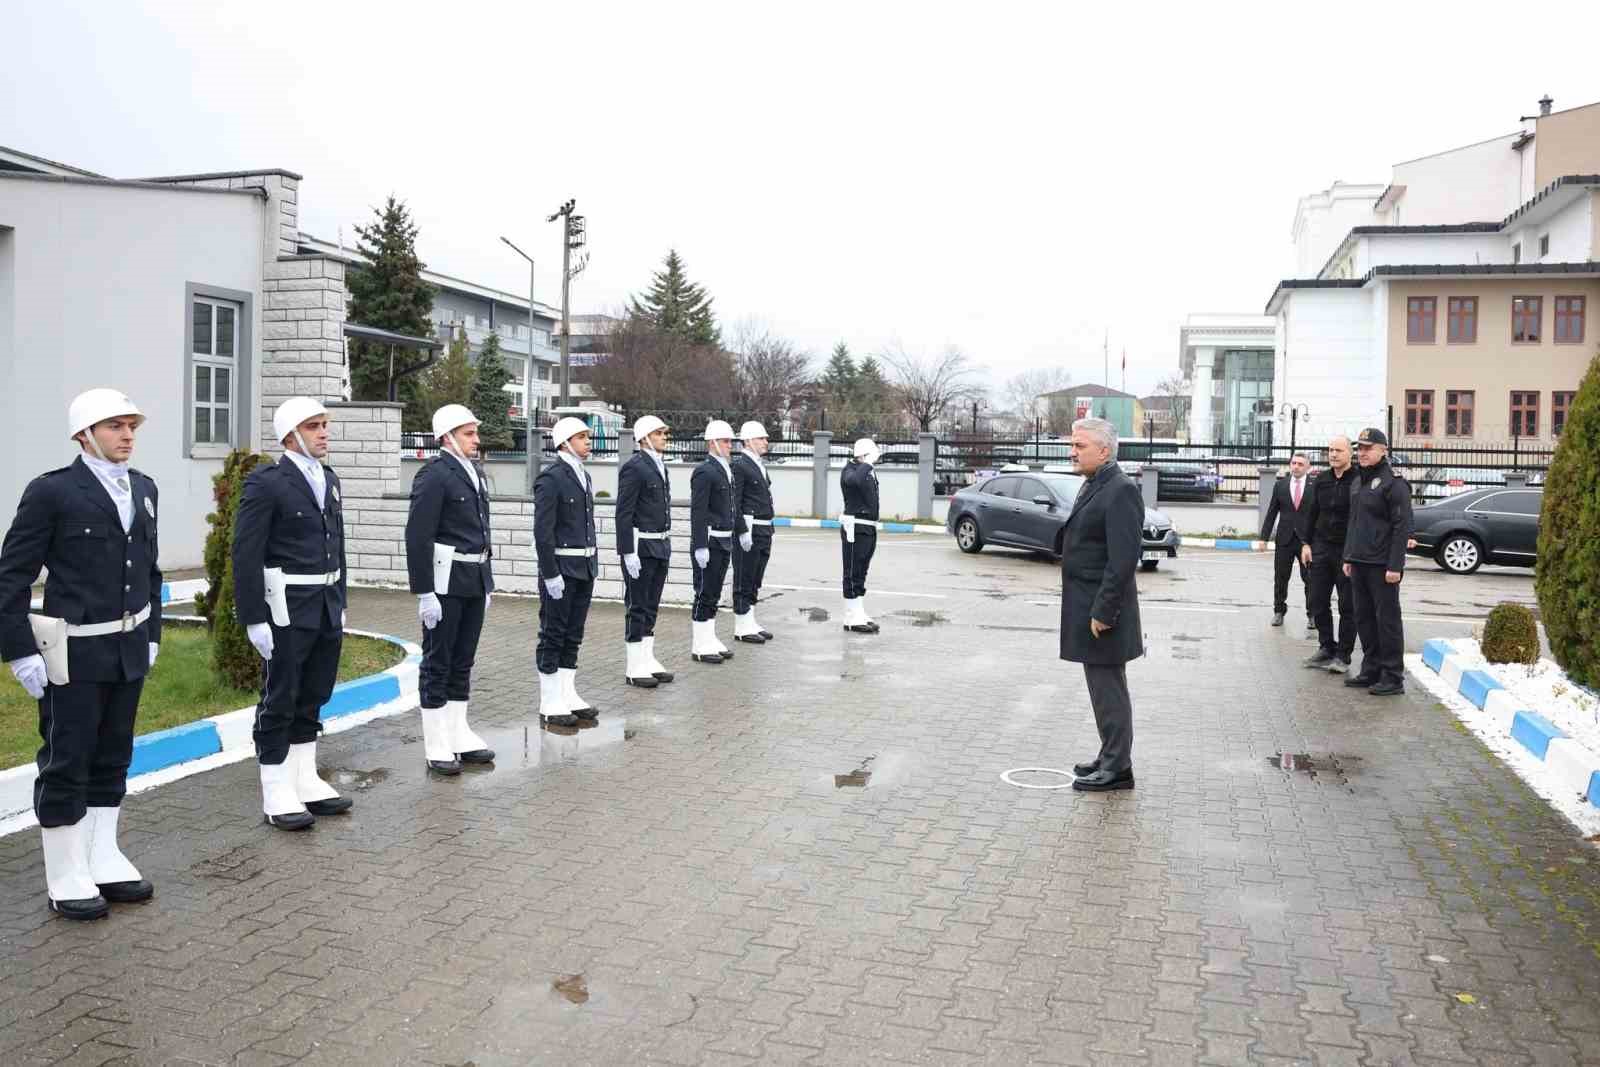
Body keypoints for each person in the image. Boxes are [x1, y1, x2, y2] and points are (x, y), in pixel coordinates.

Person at [0, 390, 162, 919]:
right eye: (114, 426)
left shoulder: (144, 488)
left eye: (130, 425)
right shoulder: (53, 493)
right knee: (67, 759)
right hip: (73, 653)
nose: (127, 434)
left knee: (114, 755)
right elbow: (12, 577)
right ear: (83, 435)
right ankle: (65, 870)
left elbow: (150, 571)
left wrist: (153, 631)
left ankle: (102, 853)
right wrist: (20, 652)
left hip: (128, 649)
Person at [233, 397, 352, 831]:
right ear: (290, 435)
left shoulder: (329, 478)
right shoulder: (268, 482)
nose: (324, 432)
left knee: (314, 693)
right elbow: (246, 552)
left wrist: (341, 599)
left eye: (324, 424)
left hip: (324, 604)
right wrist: (253, 617)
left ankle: (305, 777)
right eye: (314, 426)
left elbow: (337, 544)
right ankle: (276, 786)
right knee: (280, 696)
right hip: (286, 607)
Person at [405, 404, 495, 775]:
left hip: (473, 579)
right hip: (445, 583)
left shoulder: (474, 472)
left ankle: (458, 731)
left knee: (463, 660)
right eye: (468, 434)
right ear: (447, 437)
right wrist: (425, 592)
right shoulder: (434, 476)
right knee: (438, 661)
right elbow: (417, 536)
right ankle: (436, 741)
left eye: (475, 433)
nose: (476, 440)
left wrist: (487, 582)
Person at [1059, 417, 1143, 793]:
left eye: (1080, 446)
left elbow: (1123, 559)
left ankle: (1118, 768)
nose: (1072, 452)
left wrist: (1103, 611)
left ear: (1104, 450)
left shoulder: (1120, 489)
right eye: (1073, 445)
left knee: (1109, 689)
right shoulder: (1096, 483)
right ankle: (1110, 754)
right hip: (1088, 605)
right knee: (1101, 686)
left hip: (1103, 612)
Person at [533, 416, 601, 726]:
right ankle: (549, 700)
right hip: (561, 568)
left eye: (588, 437)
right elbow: (543, 532)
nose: (588, 442)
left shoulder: (583, 476)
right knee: (553, 633)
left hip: (584, 567)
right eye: (582, 437)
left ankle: (567, 693)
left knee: (573, 634)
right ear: (565, 443)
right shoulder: (552, 478)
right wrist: (550, 573)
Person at [1342, 428, 1414, 696]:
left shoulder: (1394, 483)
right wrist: (1348, 556)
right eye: (1359, 448)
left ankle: (1393, 676)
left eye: (1367, 448)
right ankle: (1370, 669)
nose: (1362, 453)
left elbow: (1401, 526)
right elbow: (1354, 522)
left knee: (1387, 621)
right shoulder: (1359, 481)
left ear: (1383, 450)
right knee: (1364, 619)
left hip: (1383, 565)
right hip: (1359, 561)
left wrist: (1395, 565)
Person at [616, 414, 675, 688]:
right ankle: (633, 665)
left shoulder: (660, 466)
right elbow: (623, 513)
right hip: (641, 547)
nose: (665, 437)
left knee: (651, 605)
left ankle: (647, 658)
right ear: (645, 438)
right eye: (660, 433)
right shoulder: (634, 468)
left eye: (664, 433)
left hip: (660, 544)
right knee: (637, 605)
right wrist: (627, 552)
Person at [1301, 436, 1359, 673]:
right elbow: (1311, 512)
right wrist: (1306, 543)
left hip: (1347, 550)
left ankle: (1343, 656)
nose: (1333, 454)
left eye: (1338, 450)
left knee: (1348, 605)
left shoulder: (1358, 479)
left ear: (1350, 453)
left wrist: (1354, 552)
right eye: (1330, 450)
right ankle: (1326, 647)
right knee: (1317, 600)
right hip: (1321, 548)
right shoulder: (1321, 479)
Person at [689, 420, 737, 663]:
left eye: (730, 441)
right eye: (726, 441)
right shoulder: (704, 471)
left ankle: (709, 636)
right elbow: (698, 511)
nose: (730, 445)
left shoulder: (725, 469)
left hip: (724, 540)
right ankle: (699, 643)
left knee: (714, 592)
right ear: (712, 443)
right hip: (710, 541)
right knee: (704, 592)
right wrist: (700, 545)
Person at [731, 421, 776, 644]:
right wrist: (741, 530)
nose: (765, 442)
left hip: (764, 528)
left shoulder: (757, 464)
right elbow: (735, 501)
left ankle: (750, 619)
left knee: (756, 577)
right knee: (744, 576)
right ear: (748, 441)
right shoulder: (740, 465)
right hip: (750, 528)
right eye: (761, 438)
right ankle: (741, 625)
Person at [1261, 452, 1313, 628]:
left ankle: (1312, 614)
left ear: (1308, 467)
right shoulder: (1281, 485)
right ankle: (1278, 611)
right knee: (1281, 577)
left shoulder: (1315, 486)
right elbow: (1271, 512)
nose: (1296, 466)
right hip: (1284, 539)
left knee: (1310, 578)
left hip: (1307, 542)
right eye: (1294, 463)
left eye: (1300, 464)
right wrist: (1263, 538)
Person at [840, 437, 881, 635]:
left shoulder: (867, 471)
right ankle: (850, 616)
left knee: (862, 571)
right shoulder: (850, 470)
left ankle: (859, 612)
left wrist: (868, 465)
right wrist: (867, 463)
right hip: (854, 528)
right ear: (863, 454)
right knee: (852, 571)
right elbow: (854, 481)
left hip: (868, 528)